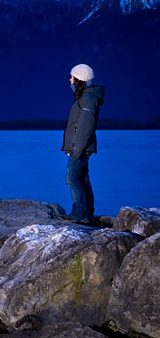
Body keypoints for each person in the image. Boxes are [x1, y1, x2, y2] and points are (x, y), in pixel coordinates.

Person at [62, 63, 104, 224]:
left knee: (72, 179)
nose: (70, 80)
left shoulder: (88, 99)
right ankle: (87, 213)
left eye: (72, 77)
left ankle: (80, 214)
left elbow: (85, 129)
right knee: (83, 179)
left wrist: (76, 150)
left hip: (80, 147)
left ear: (79, 79)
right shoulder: (85, 97)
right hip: (78, 147)